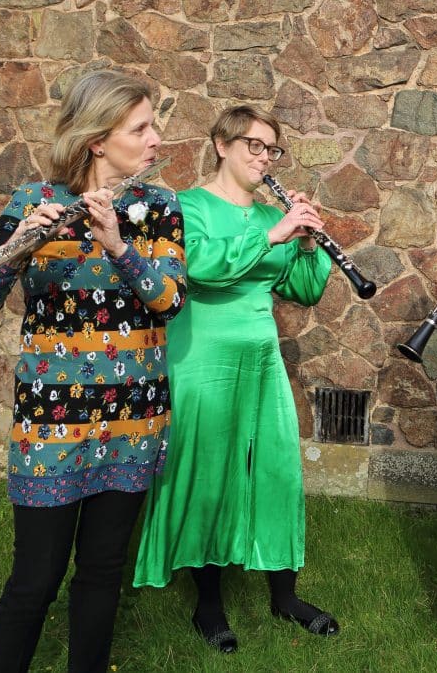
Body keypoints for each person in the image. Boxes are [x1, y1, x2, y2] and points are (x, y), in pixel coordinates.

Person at [0, 69, 186, 673]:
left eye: (153, 123)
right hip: (51, 426)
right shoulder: (32, 203)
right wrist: (16, 251)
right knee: (34, 580)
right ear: (96, 140)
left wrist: (118, 244)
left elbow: (170, 300)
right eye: (141, 127)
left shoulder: (159, 207)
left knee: (102, 573)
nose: (155, 137)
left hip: (132, 420)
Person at [133, 104, 338, 653]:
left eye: (271, 149)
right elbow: (199, 266)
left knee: (276, 468)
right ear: (222, 144)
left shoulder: (274, 216)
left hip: (262, 354)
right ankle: (209, 604)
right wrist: (273, 237)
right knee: (209, 471)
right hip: (203, 355)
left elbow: (303, 290)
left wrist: (309, 243)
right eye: (254, 144)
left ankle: (284, 594)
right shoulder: (188, 206)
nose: (263, 157)